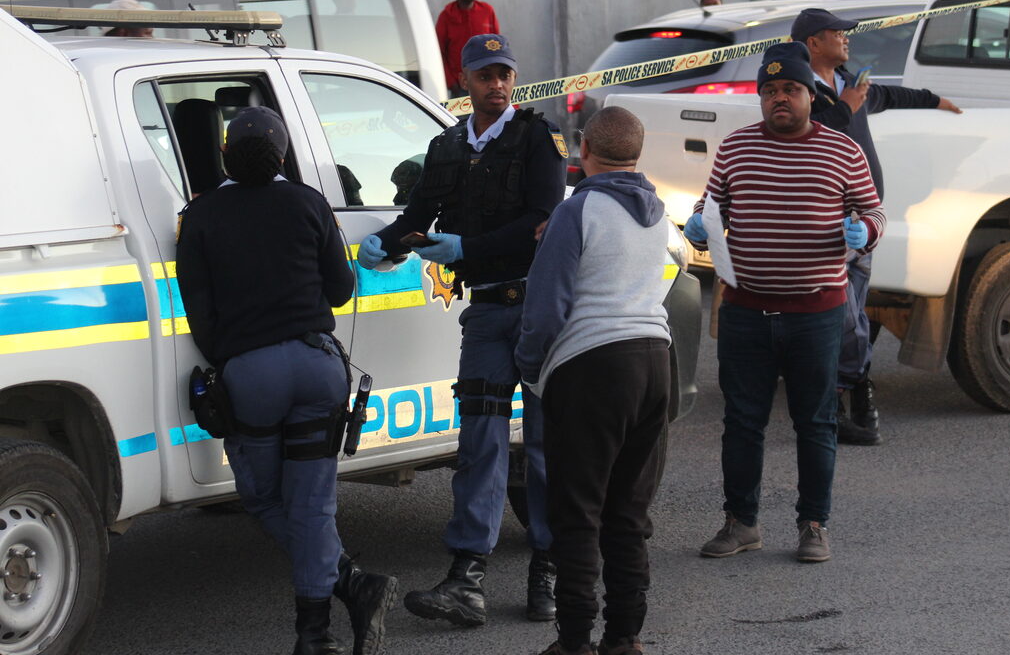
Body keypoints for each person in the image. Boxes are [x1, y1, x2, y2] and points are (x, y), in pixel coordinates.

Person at [356, 33, 567, 627]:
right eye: (484, 75)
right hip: (483, 314)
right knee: (479, 444)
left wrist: (467, 245)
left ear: (513, 77)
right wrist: (386, 245)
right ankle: (466, 577)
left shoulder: (537, 139)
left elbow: (542, 220)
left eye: (504, 73)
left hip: (536, 310)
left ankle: (548, 569)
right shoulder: (446, 147)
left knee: (547, 443)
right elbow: (418, 216)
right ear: (466, 81)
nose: (495, 84)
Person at [175, 107, 399, 655]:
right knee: (312, 505)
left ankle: (349, 587)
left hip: (251, 374)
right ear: (283, 156)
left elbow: (198, 313)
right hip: (318, 366)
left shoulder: (199, 216)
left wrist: (234, 358)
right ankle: (317, 631)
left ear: (225, 155)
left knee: (264, 499)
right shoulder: (308, 202)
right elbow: (342, 289)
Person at [683, 42, 886, 564]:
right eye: (769, 91)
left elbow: (874, 214)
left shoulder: (843, 150)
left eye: (790, 90)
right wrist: (700, 226)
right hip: (746, 310)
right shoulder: (735, 148)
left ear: (810, 94)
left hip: (816, 313)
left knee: (815, 422)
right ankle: (741, 523)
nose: (779, 99)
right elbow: (710, 206)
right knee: (742, 421)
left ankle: (814, 524)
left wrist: (863, 230)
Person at [516, 106, 673, 655]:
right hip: (656, 362)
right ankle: (625, 637)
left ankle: (575, 640)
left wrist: (531, 369)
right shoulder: (659, 213)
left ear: (585, 151)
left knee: (577, 512)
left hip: (592, 367)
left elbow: (546, 305)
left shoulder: (576, 212)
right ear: (637, 154)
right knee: (628, 514)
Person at [793, 8, 960, 446]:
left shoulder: (849, 83)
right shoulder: (798, 89)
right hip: (823, 220)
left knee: (853, 316)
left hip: (862, 221)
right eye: (837, 33)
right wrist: (845, 108)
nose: (847, 39)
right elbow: (803, 136)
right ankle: (848, 396)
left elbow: (889, 97)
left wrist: (936, 101)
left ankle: (845, 401)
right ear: (813, 42)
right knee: (844, 320)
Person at [435, 0, 500, 97]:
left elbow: (497, 46)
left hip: (487, 81)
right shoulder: (446, 16)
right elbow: (439, 52)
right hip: (461, 85)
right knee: (462, 117)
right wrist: (451, 83)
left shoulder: (487, 11)